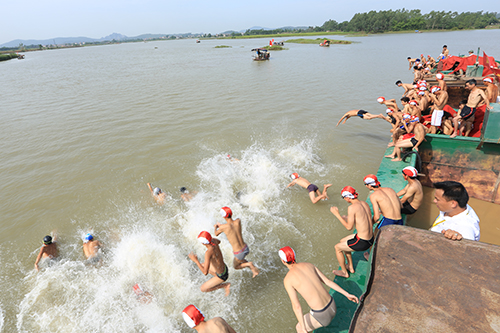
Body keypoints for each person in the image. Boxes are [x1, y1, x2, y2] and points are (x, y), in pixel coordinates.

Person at [279, 246, 359, 332]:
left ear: (283, 261)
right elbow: (328, 282)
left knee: (299, 327)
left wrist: (303, 328)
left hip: (322, 315)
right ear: (294, 256)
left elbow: (297, 306)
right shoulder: (309, 265)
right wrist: (347, 294)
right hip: (333, 306)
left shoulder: (288, 280)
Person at [330, 186, 373, 278]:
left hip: (362, 242)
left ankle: (344, 272)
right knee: (342, 241)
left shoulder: (352, 208)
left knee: (337, 248)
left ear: (348, 197)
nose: (345, 200)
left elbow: (349, 227)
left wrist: (337, 214)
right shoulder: (364, 203)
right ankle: (350, 267)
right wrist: (348, 218)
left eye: (344, 198)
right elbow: (363, 218)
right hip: (370, 239)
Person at [214, 206, 259, 277]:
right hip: (245, 248)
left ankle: (250, 265)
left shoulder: (223, 227)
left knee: (235, 266)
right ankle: (253, 269)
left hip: (238, 252)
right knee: (241, 260)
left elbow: (216, 234)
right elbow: (231, 226)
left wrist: (216, 227)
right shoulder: (238, 221)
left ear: (223, 217)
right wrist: (221, 226)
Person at [188, 231, 231, 296]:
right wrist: (211, 239)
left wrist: (196, 261)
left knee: (203, 289)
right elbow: (219, 241)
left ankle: (225, 285)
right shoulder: (214, 242)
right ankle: (217, 276)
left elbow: (205, 272)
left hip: (222, 276)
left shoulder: (208, 253)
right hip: (224, 268)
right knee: (202, 264)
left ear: (203, 243)